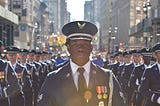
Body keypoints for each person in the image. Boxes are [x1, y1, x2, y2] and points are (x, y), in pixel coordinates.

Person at [37, 21, 125, 106]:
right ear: (68, 48)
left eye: (85, 44)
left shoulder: (107, 78)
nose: (80, 48)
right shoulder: (53, 79)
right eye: (75, 44)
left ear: (91, 47)